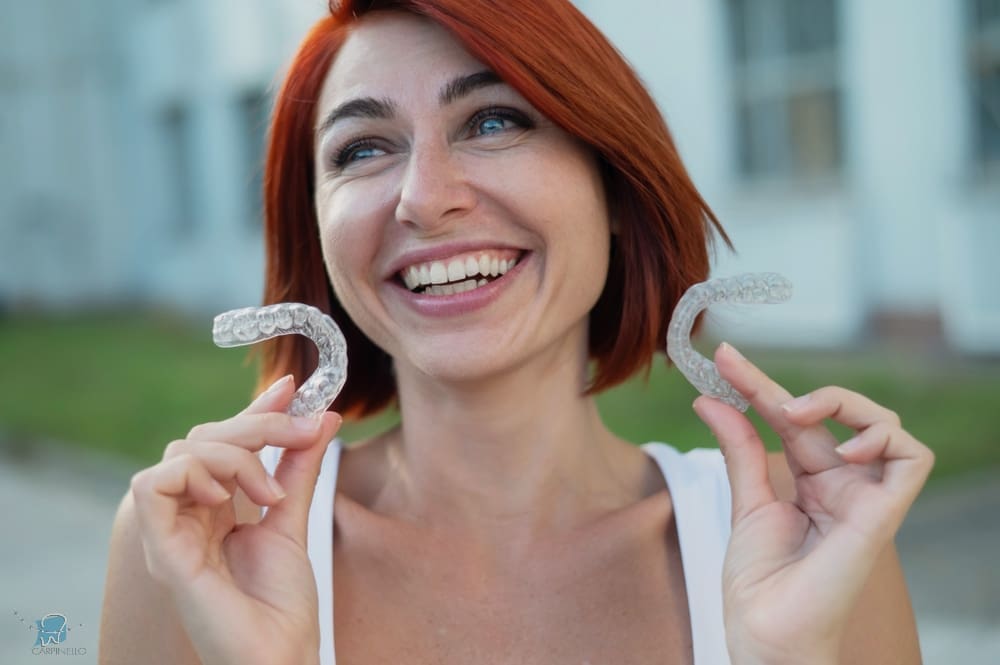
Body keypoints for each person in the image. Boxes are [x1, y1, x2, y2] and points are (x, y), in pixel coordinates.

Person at [98, 1, 934, 663]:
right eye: (361, 149)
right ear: (312, 228)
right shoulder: (192, 549)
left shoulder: (809, 536)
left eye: (494, 121)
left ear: (614, 187)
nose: (424, 198)